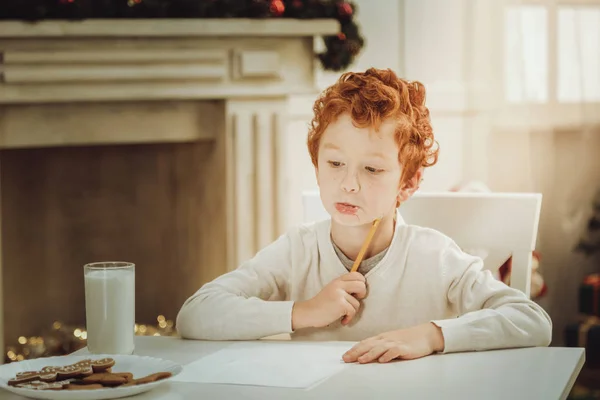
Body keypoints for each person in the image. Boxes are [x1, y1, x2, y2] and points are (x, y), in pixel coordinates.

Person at [176, 68, 552, 364]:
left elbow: (531, 320)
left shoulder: (435, 258)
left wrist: (432, 336)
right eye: (335, 163)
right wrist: (305, 312)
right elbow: (195, 315)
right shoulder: (297, 251)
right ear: (317, 164)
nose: (349, 184)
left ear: (408, 183)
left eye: (372, 169)